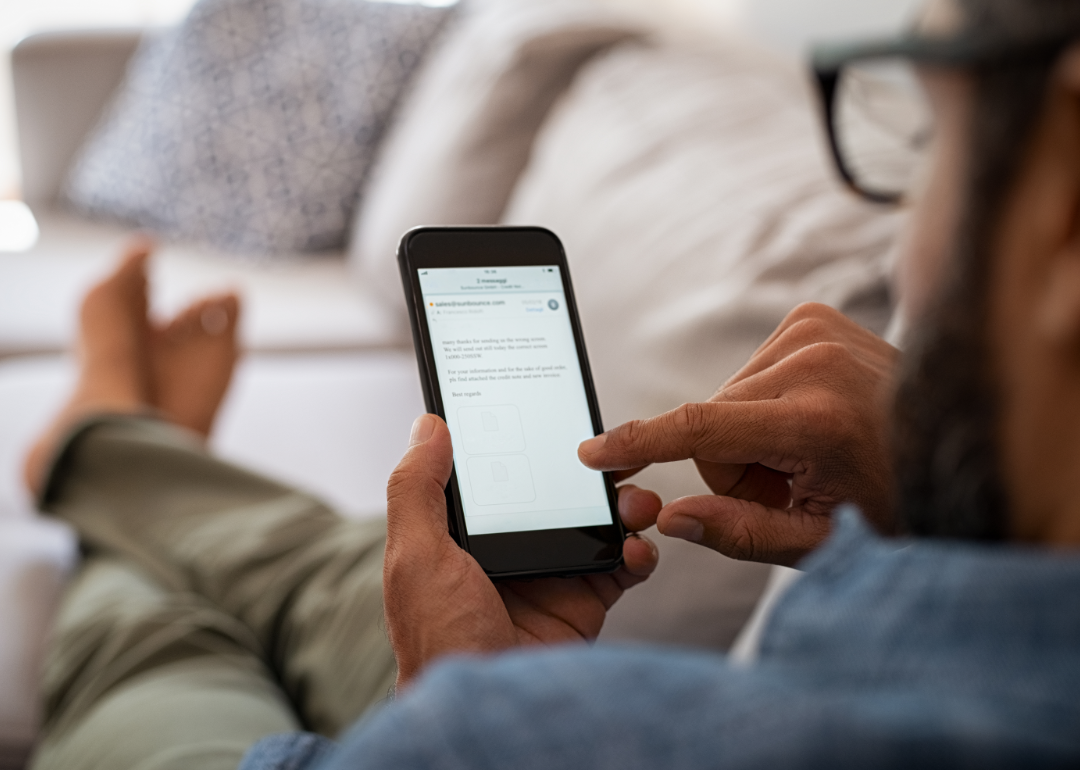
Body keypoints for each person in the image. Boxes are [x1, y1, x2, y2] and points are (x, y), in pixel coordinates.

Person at [24, 0, 1080, 766]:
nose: (898, 261)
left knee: (159, 643)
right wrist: (951, 499)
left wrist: (456, 704)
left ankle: (105, 441)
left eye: (929, 137)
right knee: (340, 565)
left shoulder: (496, 733)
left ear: (1066, 204)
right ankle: (134, 452)